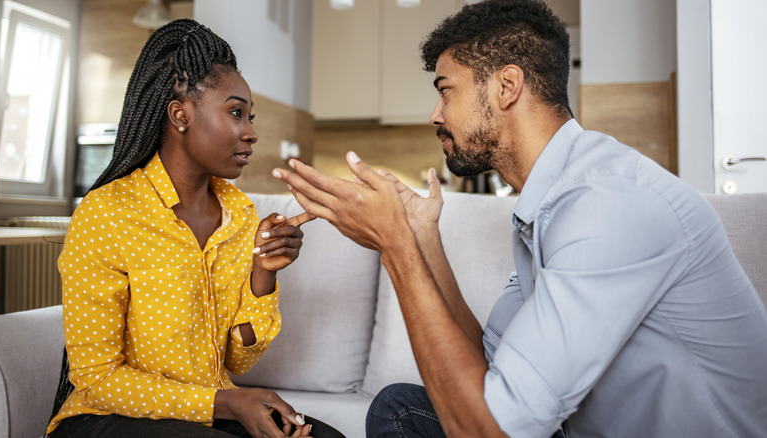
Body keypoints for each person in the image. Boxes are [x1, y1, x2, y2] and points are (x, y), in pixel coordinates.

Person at [272, 0, 767, 437]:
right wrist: (422, 238)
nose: (435, 114)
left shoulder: (607, 204)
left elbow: (493, 430)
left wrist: (395, 245)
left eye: (446, 91)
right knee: (402, 407)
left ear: (507, 86)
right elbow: (488, 368)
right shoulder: (548, 204)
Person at [47, 19, 344, 438]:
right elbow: (97, 381)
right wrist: (227, 402)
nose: (252, 132)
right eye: (236, 113)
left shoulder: (238, 215)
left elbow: (237, 364)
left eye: (250, 117)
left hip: (202, 413)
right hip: (105, 419)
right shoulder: (108, 213)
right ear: (180, 115)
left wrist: (264, 273)